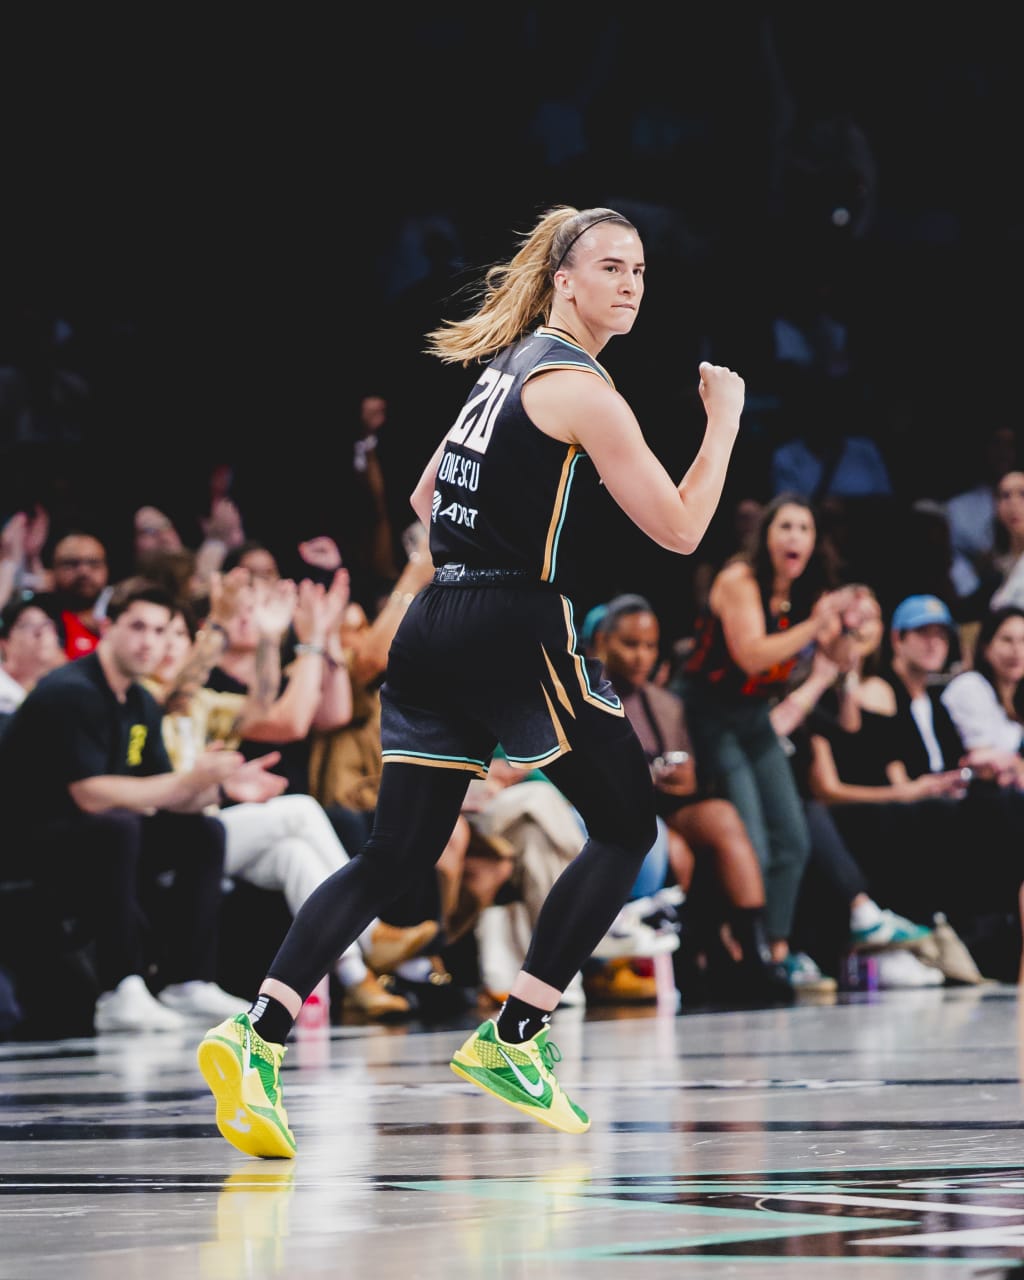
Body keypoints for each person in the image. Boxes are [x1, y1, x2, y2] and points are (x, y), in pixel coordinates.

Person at [196, 203, 745, 1156]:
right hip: (511, 622)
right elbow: (683, 529)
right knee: (626, 824)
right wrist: (725, 421)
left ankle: (258, 1033)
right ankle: (515, 1036)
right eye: (610, 267)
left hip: (434, 619)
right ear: (564, 280)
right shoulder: (582, 387)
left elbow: (425, 499)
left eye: (640, 271)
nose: (629, 284)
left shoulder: (509, 366)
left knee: (393, 855)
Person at [0, 577, 284, 1033]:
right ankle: (120, 989)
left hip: (95, 836)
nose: (149, 642)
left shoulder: (140, 702)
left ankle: (188, 981)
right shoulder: (70, 690)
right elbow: (90, 794)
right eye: (137, 627)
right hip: (26, 847)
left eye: (160, 631)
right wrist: (188, 781)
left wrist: (221, 789)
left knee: (203, 831)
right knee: (118, 825)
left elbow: (163, 792)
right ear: (107, 627)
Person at [671, 491, 870, 992]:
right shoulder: (739, 579)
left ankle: (775, 950)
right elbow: (753, 656)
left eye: (804, 529)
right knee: (752, 839)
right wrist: (816, 624)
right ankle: (733, 947)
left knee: (793, 838)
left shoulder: (810, 593)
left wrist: (850, 629)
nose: (794, 537)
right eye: (785, 527)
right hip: (709, 711)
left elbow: (837, 657)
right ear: (767, 536)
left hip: (755, 715)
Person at [590, 592, 793, 1005]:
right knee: (675, 849)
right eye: (630, 644)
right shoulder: (585, 700)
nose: (641, 656)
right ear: (602, 642)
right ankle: (689, 960)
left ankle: (753, 950)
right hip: (611, 812)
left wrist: (683, 779)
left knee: (721, 816)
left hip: (664, 806)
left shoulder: (667, 704)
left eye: (650, 646)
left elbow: (689, 773)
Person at [0, 592, 66, 725]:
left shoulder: (64, 694)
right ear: (4, 644)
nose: (40, 632)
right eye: (28, 625)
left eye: (47, 624)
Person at [49, 531, 112, 659]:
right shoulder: (39, 618)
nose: (84, 571)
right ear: (52, 570)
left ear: (106, 570)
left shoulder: (123, 617)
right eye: (72, 564)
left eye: (93, 563)